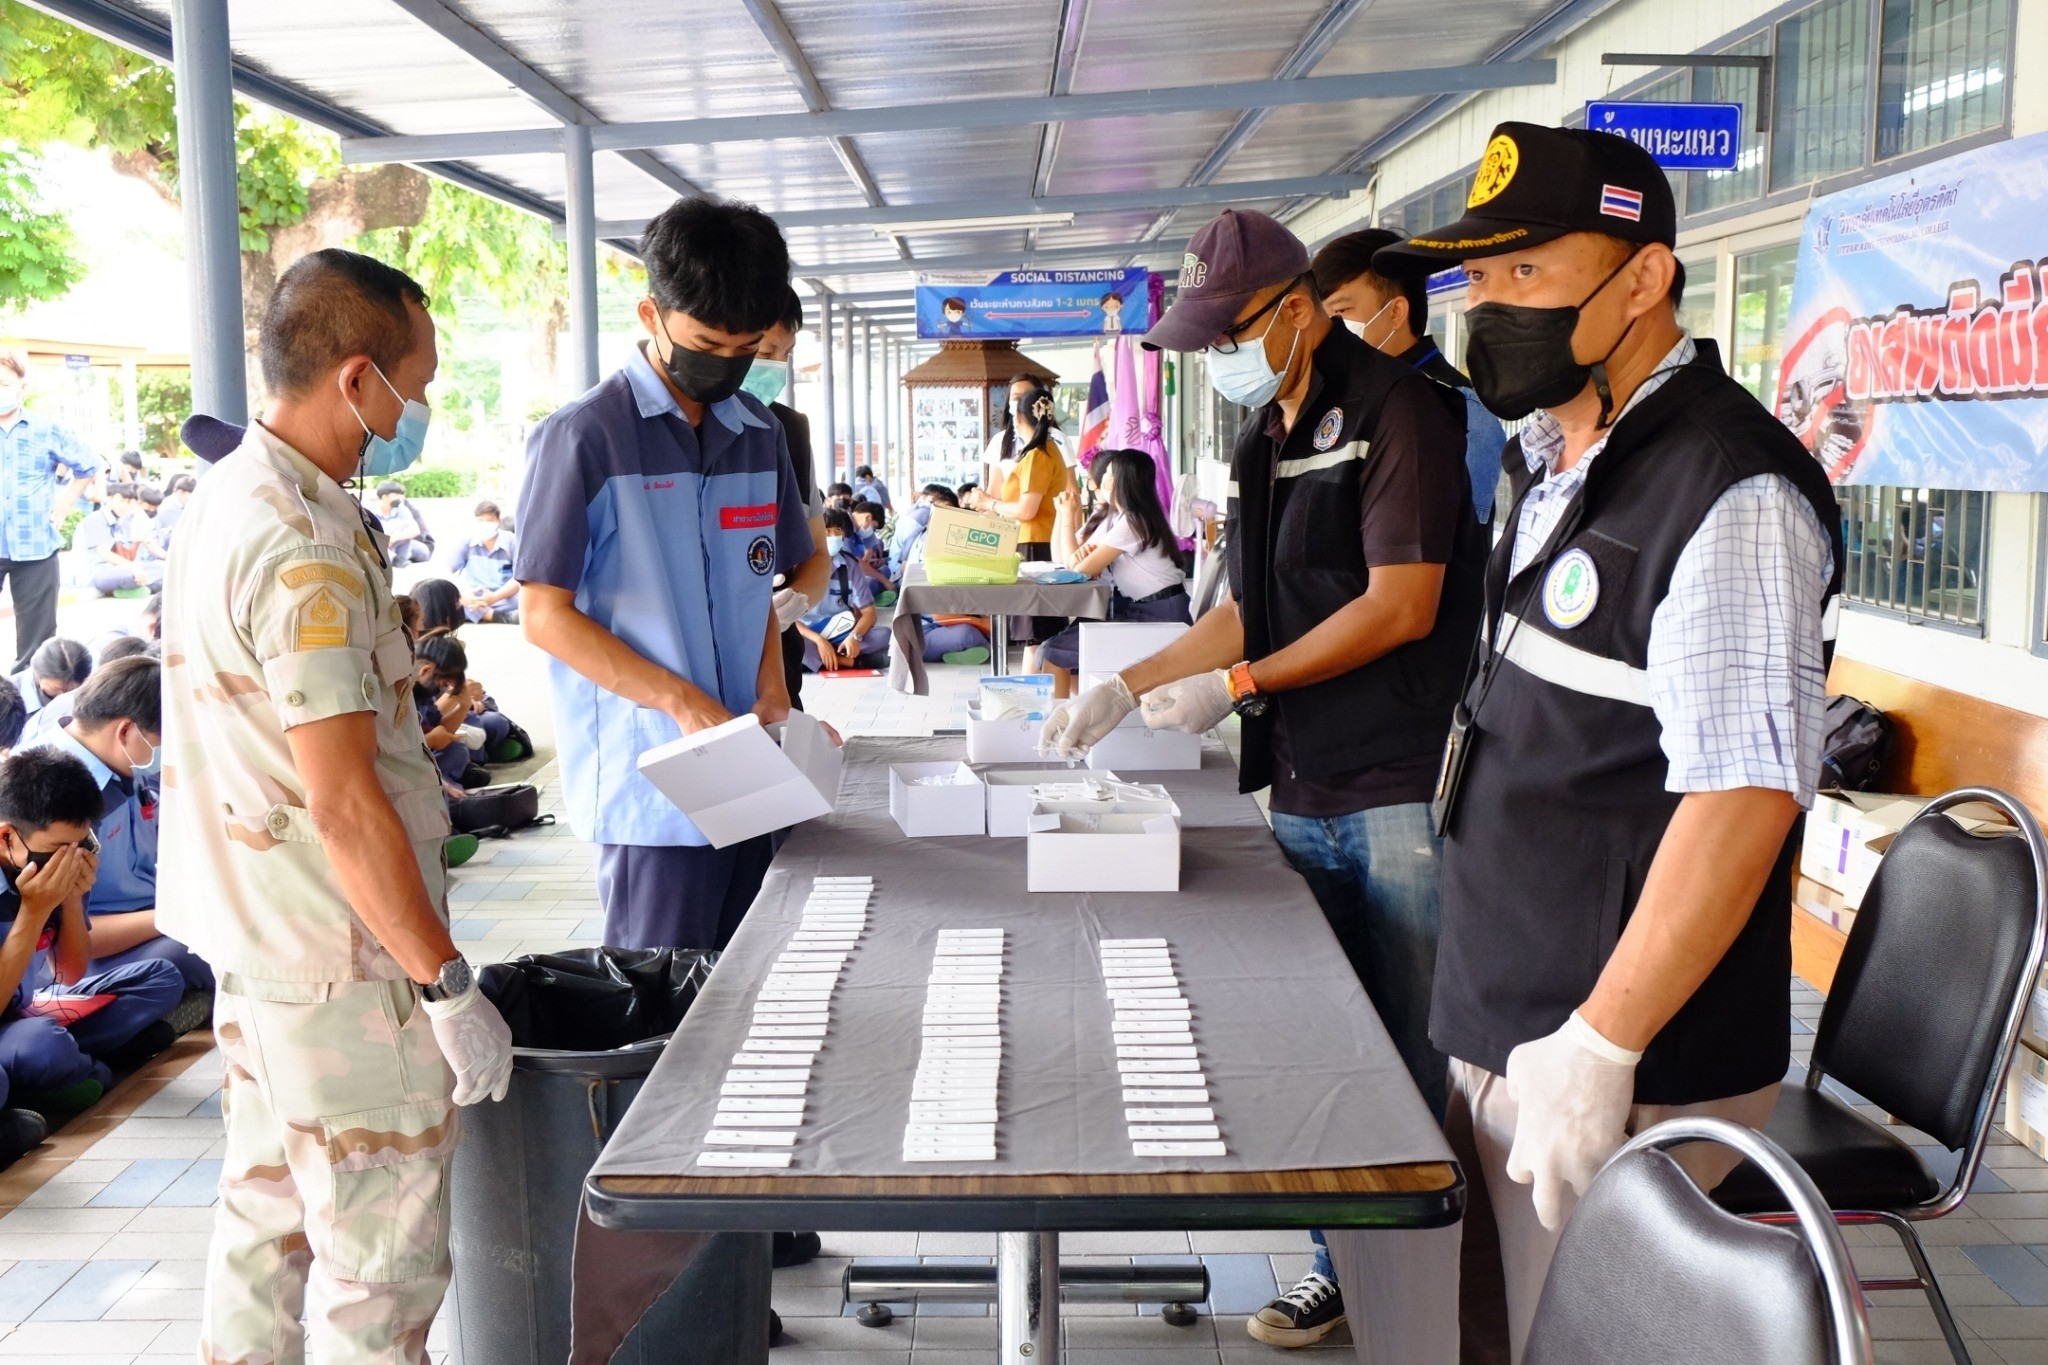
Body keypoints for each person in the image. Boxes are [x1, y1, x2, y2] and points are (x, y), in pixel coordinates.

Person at [1361, 122, 1844, 1361]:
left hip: (1623, 1062)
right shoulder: (1554, 456)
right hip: (1512, 1012)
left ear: (1643, 278)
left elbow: (1743, 794)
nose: (1491, 304)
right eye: (1480, 275)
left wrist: (1599, 1041)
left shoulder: (1724, 488)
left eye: (1529, 271)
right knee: (1504, 1336)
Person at [1037, 207, 1487, 1351]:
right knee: (1324, 1037)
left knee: (1412, 1043)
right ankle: (1344, 1270)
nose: (1217, 362)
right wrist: (1129, 687)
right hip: (1300, 784)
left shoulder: (1403, 417)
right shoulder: (1262, 437)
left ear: (1294, 310)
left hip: (1397, 785)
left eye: (1228, 334)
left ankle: (1445, 1290)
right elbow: (1246, 602)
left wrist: (1234, 685)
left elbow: (1402, 605)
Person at [159, 246, 514, 1364]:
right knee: (382, 1277)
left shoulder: (234, 491)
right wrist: (444, 986)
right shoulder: (304, 544)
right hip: (343, 967)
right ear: (358, 379)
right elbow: (346, 799)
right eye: (418, 382)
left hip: (258, 946)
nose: (422, 408)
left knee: (263, 1227)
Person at [516, 196, 813, 952]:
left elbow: (757, 592)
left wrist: (775, 698)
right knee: (668, 1010)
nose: (726, 362)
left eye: (746, 346)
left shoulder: (758, 436)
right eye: (707, 341)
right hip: (652, 783)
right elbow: (544, 615)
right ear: (652, 313)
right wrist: (681, 701)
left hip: (749, 766)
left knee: (754, 981)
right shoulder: (584, 438)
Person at [0, 748, 183, 1138]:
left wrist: (67, 901)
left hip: (29, 1007)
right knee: (40, 1044)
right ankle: (90, 1071)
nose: (72, 860)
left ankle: (63, 1068)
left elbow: (68, 972)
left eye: (82, 845)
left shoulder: (64, 864)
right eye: (57, 851)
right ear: (7, 837)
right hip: (13, 1022)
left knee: (160, 977)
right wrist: (33, 912)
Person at [28, 656, 209, 994]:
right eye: (161, 743)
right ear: (126, 731)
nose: (165, 755)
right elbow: (71, 947)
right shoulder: (54, 800)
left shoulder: (120, 763)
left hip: (154, 914)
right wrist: (181, 914)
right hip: (89, 954)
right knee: (209, 951)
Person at [1314, 228, 1509, 525]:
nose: (1329, 331)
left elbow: (1457, 552)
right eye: (1323, 318)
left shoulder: (1463, 412)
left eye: (1340, 312)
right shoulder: (1339, 398)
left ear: (1396, 313)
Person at [1037, 448, 1189, 697]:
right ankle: (1079, 711)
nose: (1103, 478)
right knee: (1054, 648)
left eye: (1109, 472)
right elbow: (1078, 563)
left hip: (1158, 615)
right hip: (1153, 609)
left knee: (1054, 651)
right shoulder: (1129, 519)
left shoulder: (1131, 522)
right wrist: (1080, 561)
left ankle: (1061, 724)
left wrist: (1071, 530)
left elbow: (1081, 570)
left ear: (1121, 479)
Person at [796, 509, 891, 671]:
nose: (833, 536)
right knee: (786, 643)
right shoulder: (798, 565)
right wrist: (819, 641)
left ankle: (821, 661)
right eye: (826, 531)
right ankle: (850, 662)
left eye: (837, 531)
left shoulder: (850, 565)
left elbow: (869, 613)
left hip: (839, 630)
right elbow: (787, 619)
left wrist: (855, 637)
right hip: (806, 633)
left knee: (883, 635)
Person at [413, 635, 490, 789]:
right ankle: (447, 789)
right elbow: (398, 750)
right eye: (442, 683)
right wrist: (430, 739)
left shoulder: (424, 694)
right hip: (408, 765)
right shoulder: (399, 697)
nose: (441, 688)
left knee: (457, 750)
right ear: (425, 670)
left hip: (426, 757)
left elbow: (440, 728)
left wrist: (463, 705)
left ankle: (449, 784)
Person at [73, 481, 165, 596]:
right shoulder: (96, 519)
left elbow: (146, 541)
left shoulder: (122, 520)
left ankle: (136, 586)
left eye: (129, 502)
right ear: (109, 498)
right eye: (121, 501)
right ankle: (140, 586)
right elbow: (105, 554)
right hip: (94, 574)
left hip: (119, 568)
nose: (125, 506)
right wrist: (133, 567)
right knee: (130, 574)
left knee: (162, 567)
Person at [444, 499, 521, 623]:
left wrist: (494, 597)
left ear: (498, 522)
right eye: (481, 521)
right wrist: (462, 596)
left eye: (490, 521)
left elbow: (519, 577)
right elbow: (447, 571)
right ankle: (498, 616)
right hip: (474, 596)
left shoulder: (512, 542)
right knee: (446, 602)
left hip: (504, 596)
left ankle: (479, 614)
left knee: (527, 599)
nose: (485, 525)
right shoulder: (467, 542)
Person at [12, 637, 91, 732]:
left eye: (70, 692)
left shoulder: (89, 691)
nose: (62, 698)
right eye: (55, 689)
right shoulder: (7, 699)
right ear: (37, 674)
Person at [373, 478, 436, 566]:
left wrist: (394, 538)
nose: (401, 498)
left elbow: (415, 529)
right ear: (384, 496)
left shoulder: (401, 508)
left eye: (401, 495)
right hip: (385, 546)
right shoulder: (372, 512)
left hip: (409, 543)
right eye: (396, 495)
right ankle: (395, 558)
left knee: (418, 548)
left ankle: (398, 559)